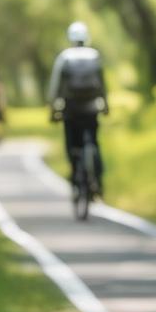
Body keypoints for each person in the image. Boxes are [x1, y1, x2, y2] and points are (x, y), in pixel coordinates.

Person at [47, 21, 108, 193]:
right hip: (91, 108)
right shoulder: (94, 56)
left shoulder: (64, 57)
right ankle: (98, 179)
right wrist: (105, 105)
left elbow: (55, 87)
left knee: (72, 145)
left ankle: (75, 174)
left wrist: (53, 111)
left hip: (71, 109)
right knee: (94, 141)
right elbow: (102, 84)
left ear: (71, 38)